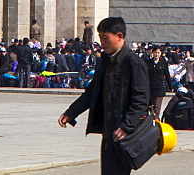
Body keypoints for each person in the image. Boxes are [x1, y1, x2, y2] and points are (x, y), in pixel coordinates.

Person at [59, 16, 150, 175]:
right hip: (109, 130)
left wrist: (127, 126)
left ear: (120, 36)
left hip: (123, 132)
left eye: (105, 38)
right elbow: (92, 92)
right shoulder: (105, 61)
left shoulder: (133, 63)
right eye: (100, 38)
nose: (102, 42)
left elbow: (141, 99)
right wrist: (71, 112)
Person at [147, 47, 172, 119]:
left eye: (158, 52)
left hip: (160, 87)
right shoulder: (148, 62)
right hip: (150, 87)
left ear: (161, 53)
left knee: (157, 107)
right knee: (150, 106)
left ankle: (157, 121)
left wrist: (171, 86)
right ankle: (151, 121)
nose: (157, 54)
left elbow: (167, 75)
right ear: (152, 53)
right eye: (155, 52)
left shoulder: (163, 63)